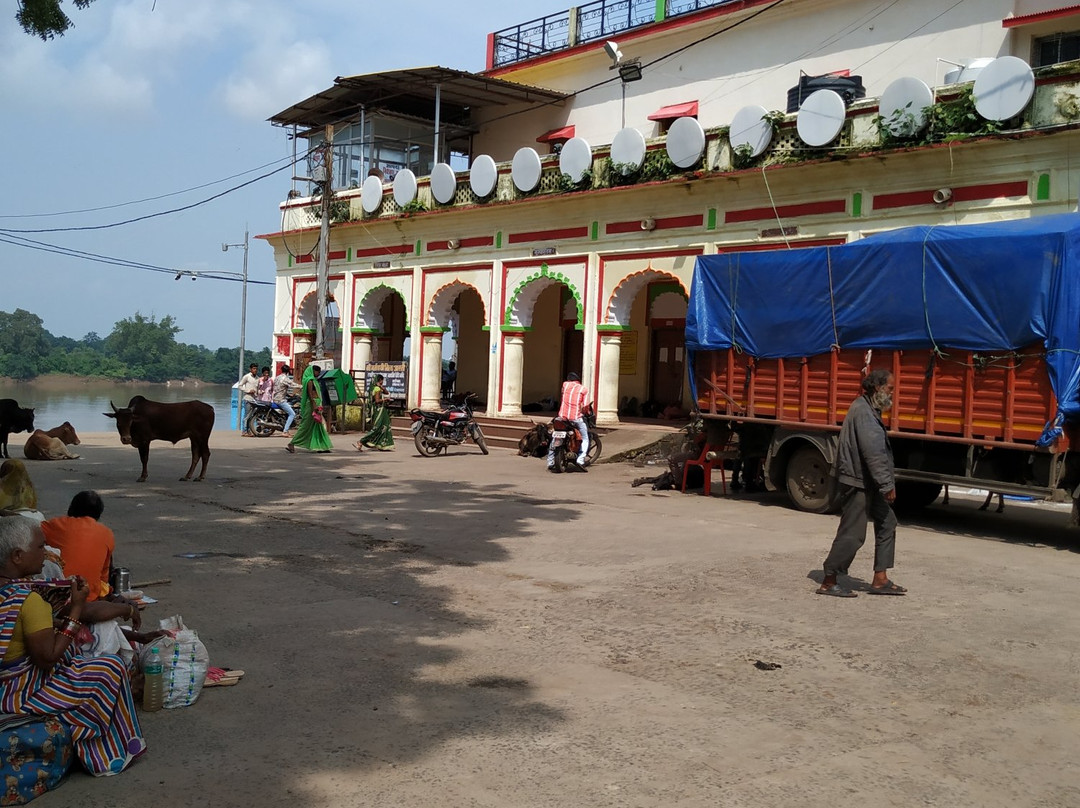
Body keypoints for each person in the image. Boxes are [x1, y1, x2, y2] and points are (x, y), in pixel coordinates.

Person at [0, 516, 145, 776]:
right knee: (109, 668)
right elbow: (47, 659)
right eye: (40, 547)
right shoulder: (27, 600)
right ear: (18, 556)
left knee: (85, 660)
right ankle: (103, 753)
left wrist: (63, 620)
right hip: (21, 691)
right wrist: (76, 608)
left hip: (8, 681)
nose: (47, 553)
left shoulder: (11, 591)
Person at [817, 369, 906, 597]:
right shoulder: (864, 412)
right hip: (858, 481)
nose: (892, 394)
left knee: (887, 522)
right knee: (854, 533)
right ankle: (829, 580)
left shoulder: (868, 408)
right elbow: (873, 453)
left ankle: (880, 579)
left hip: (868, 481)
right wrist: (887, 485)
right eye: (890, 388)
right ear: (877, 388)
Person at [285, 364, 333, 454]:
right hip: (311, 405)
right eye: (317, 371)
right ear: (313, 371)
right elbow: (310, 394)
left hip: (316, 403)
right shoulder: (310, 381)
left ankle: (321, 446)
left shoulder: (314, 380)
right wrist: (314, 405)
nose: (318, 373)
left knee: (318, 426)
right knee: (305, 426)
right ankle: (292, 443)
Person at [547, 372, 590, 472]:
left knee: (555, 437)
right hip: (575, 418)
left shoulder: (565, 385)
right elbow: (586, 405)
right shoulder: (583, 389)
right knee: (585, 438)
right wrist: (585, 412)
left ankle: (550, 461)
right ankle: (580, 460)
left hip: (562, 418)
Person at [355, 374, 395, 451]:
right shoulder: (376, 389)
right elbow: (377, 401)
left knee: (384, 426)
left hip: (381, 410)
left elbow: (386, 392)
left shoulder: (376, 388)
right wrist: (385, 400)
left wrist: (381, 387)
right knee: (377, 428)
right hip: (379, 410)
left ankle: (382, 444)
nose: (383, 382)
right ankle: (361, 441)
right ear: (379, 380)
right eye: (382, 380)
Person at [273, 364, 299, 438]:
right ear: (287, 372)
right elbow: (292, 384)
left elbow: (280, 389)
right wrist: (302, 386)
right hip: (281, 400)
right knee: (292, 414)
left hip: (275, 398)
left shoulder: (277, 378)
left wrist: (288, 394)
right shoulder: (285, 378)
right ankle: (285, 431)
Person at [238, 362, 260, 436]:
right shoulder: (247, 377)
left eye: (256, 369)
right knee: (246, 416)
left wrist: (260, 392)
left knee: (251, 416)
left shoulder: (257, 378)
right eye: (254, 368)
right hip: (247, 398)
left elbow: (257, 389)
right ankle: (244, 431)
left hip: (254, 399)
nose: (255, 370)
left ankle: (249, 430)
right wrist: (248, 391)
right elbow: (240, 386)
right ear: (250, 369)